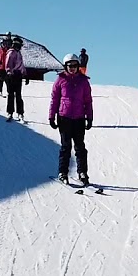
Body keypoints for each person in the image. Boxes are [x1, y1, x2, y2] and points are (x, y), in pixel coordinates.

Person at [50, 53, 93, 185]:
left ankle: (82, 172)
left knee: (80, 147)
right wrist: (52, 116)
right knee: (66, 146)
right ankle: (63, 172)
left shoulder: (83, 81)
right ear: (66, 66)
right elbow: (54, 99)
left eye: (75, 65)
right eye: (70, 66)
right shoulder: (60, 80)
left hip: (79, 118)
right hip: (64, 118)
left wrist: (89, 117)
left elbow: (88, 101)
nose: (72, 68)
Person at [4, 37, 28, 121]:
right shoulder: (11, 53)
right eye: (19, 45)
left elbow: (21, 65)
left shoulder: (19, 53)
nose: (20, 47)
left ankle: (20, 113)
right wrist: (9, 73)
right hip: (11, 76)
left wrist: (25, 74)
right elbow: (8, 64)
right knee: (11, 95)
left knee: (18, 95)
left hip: (18, 75)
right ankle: (10, 112)